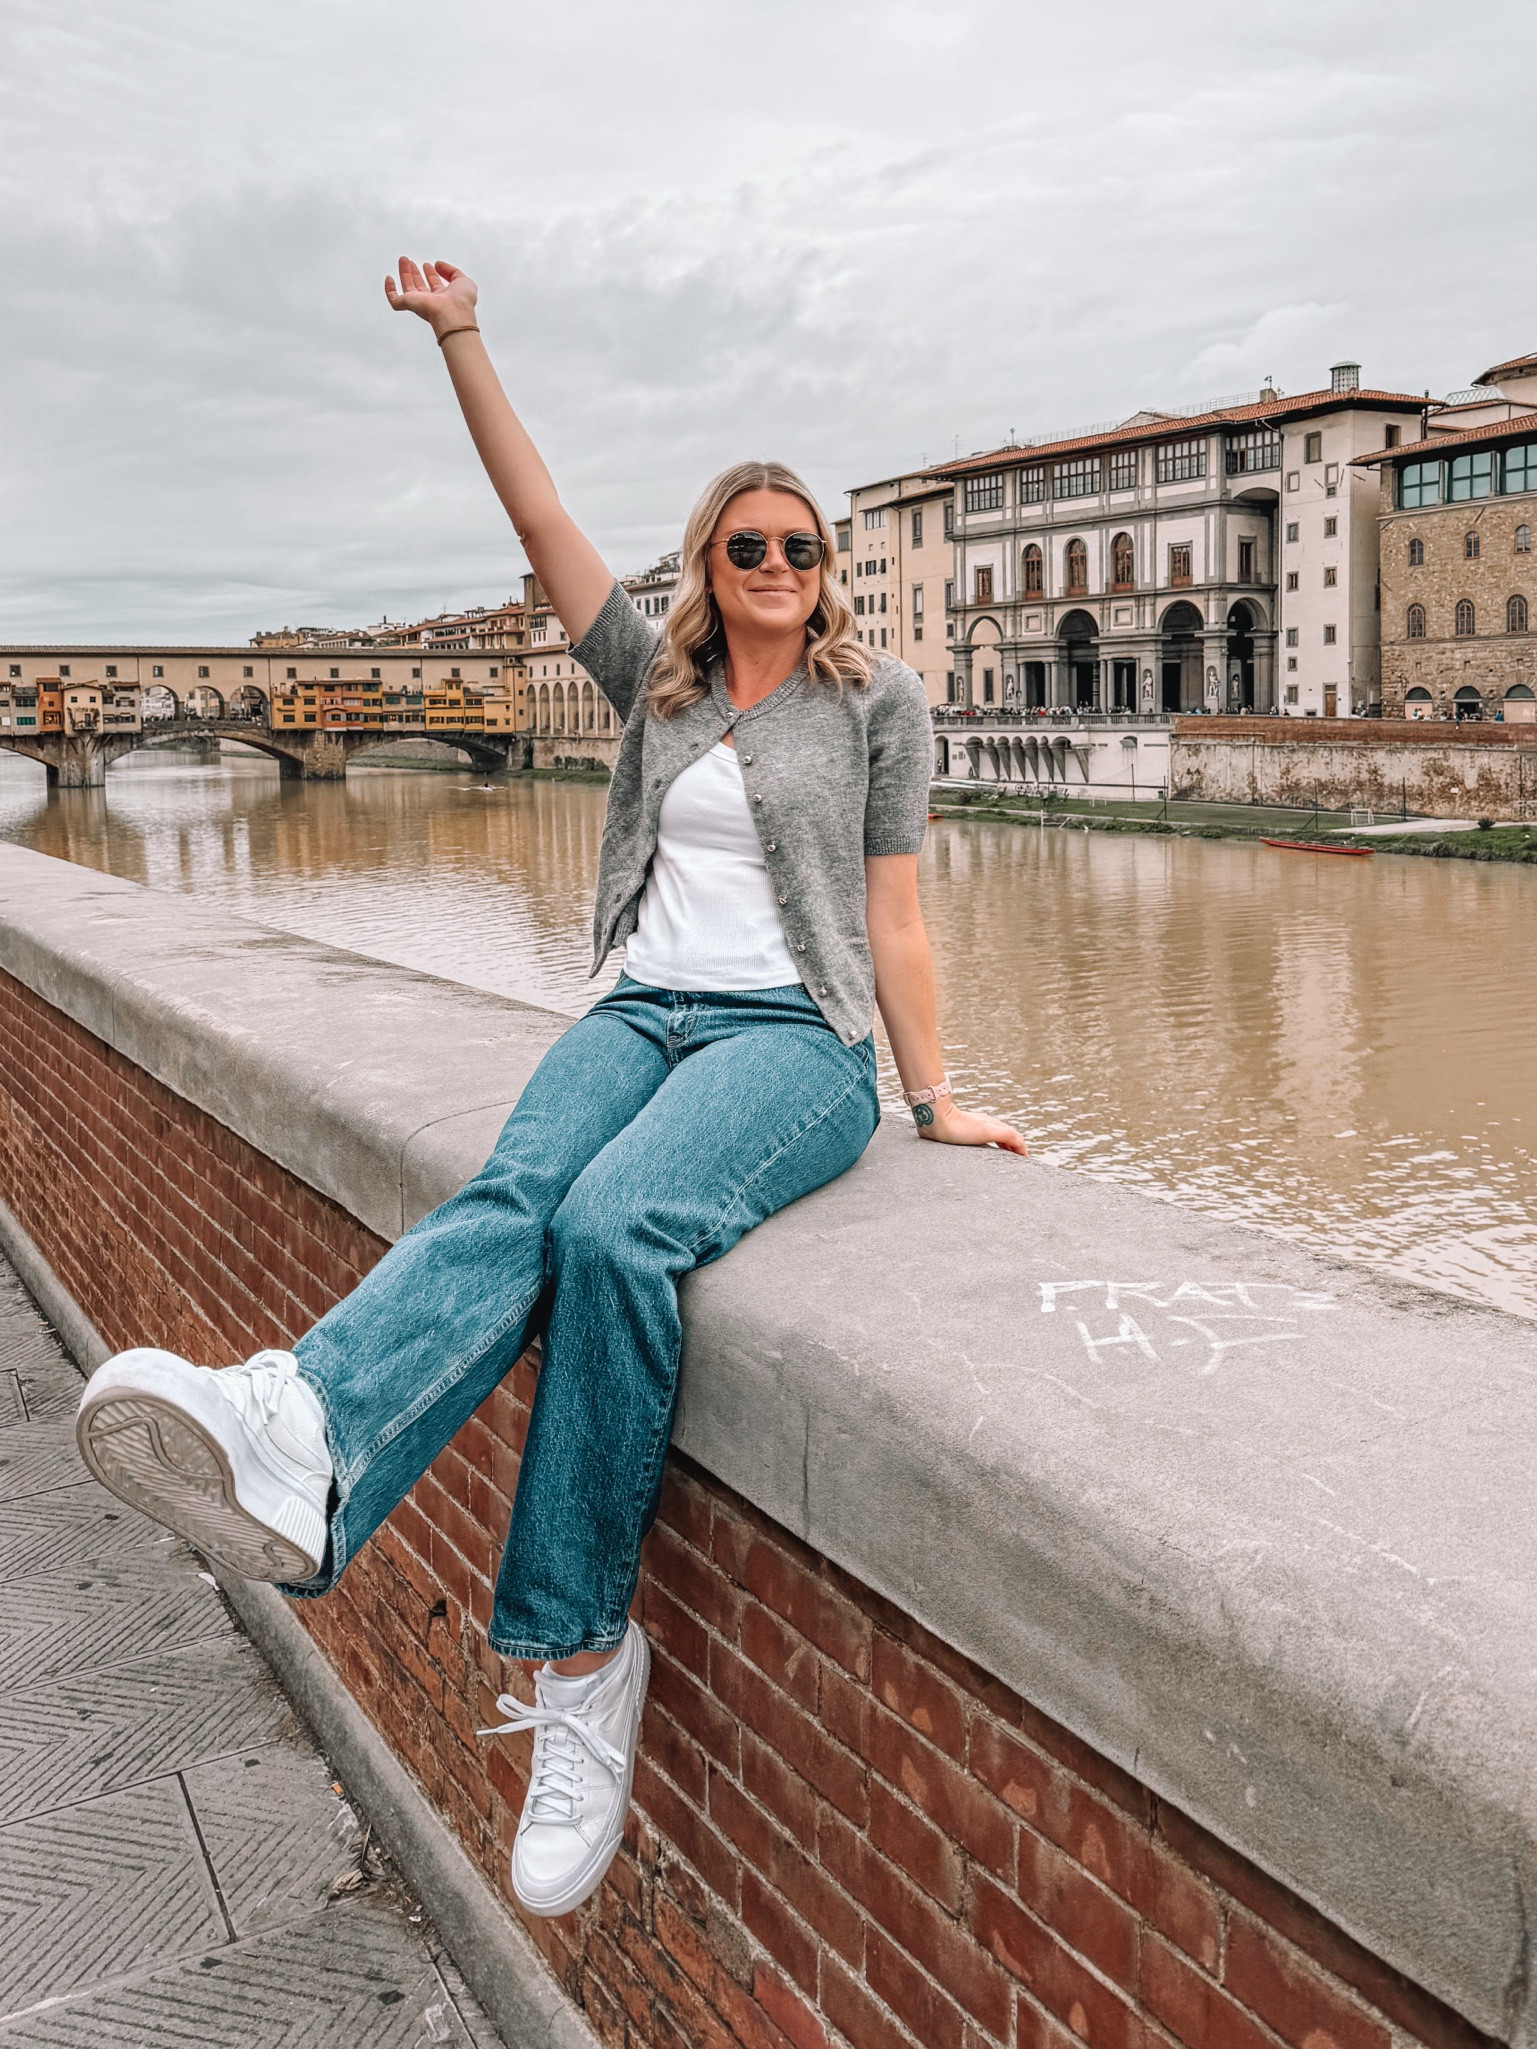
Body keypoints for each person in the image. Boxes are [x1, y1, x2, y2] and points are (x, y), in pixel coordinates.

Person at [75, 257, 1027, 1921]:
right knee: (515, 1198)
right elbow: (534, 517)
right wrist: (461, 336)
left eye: (807, 548)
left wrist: (934, 1094)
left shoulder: (877, 702)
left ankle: (581, 1656)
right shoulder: (647, 683)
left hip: (794, 1048)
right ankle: (301, 1425)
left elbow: (894, 910)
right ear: (706, 564)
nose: (784, 568)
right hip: (644, 1010)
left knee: (613, 1228)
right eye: (753, 546)